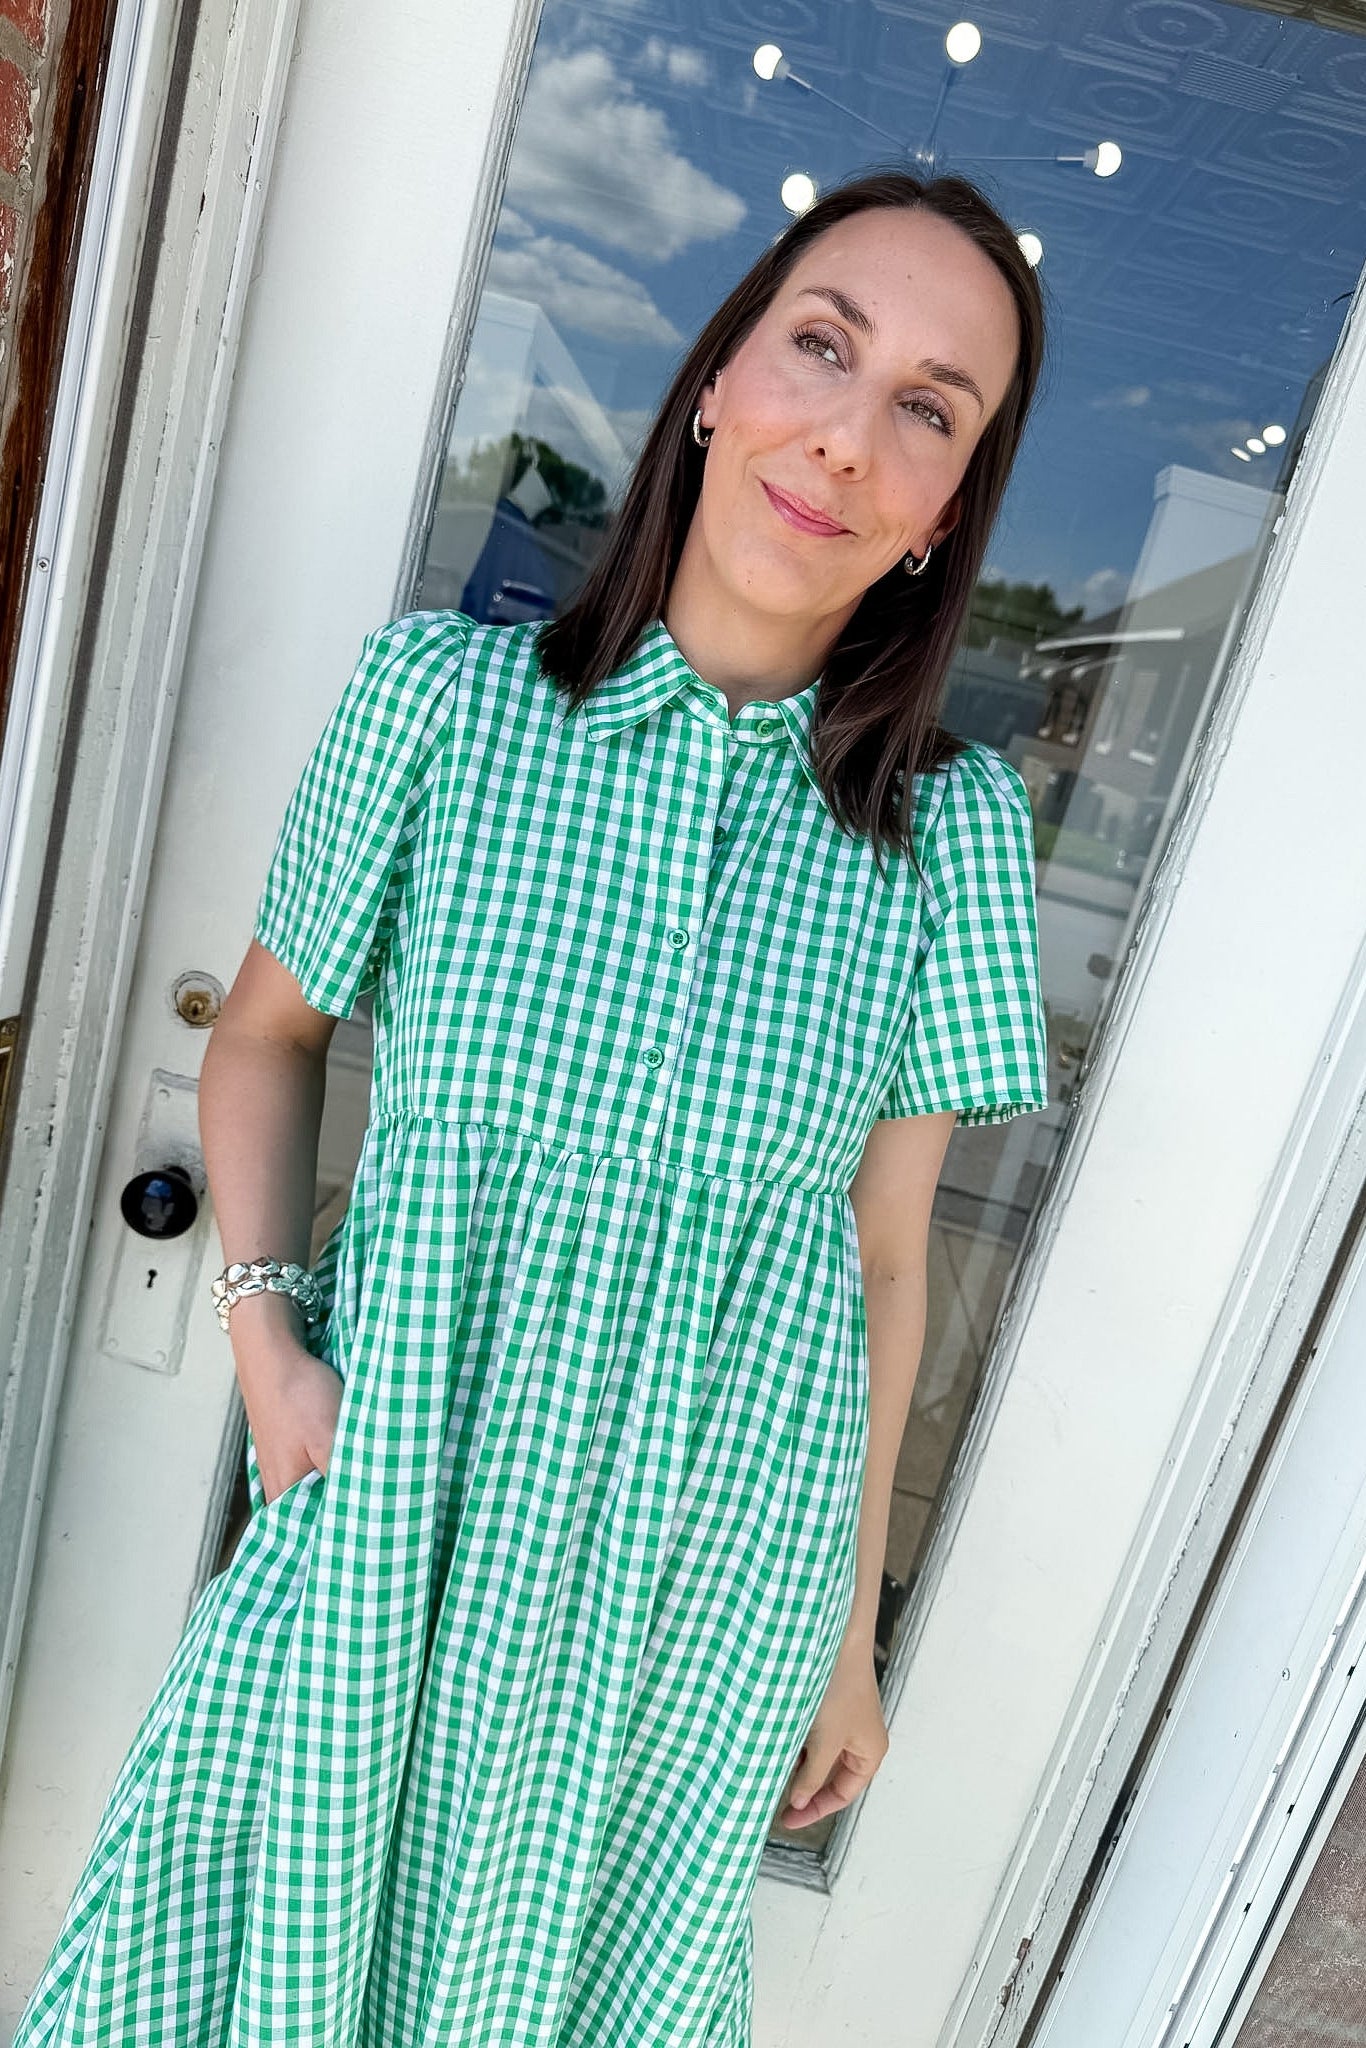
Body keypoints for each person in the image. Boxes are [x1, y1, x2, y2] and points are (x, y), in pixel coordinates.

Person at [13, 165, 1050, 2047]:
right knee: (251, 1964)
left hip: (700, 1571)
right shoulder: (441, 707)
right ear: (719, 379)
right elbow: (262, 1037)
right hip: (400, 1482)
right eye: (820, 345)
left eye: (928, 407)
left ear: (944, 513)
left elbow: (883, 1261)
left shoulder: (948, 842)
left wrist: (845, 1634)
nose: (846, 430)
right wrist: (271, 1359)